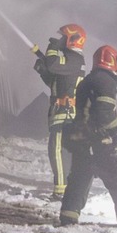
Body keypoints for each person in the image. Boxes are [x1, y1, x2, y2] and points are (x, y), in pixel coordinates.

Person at [60, 45, 117, 227]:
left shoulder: (87, 80)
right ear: (114, 62)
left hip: (81, 138)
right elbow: (104, 112)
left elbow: (89, 112)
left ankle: (68, 216)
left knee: (80, 177)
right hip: (99, 140)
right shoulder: (106, 81)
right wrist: (114, 133)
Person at [33, 23, 86, 197]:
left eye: (63, 37)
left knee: (56, 151)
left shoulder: (74, 59)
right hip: (61, 112)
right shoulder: (71, 61)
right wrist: (43, 70)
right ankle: (64, 188)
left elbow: (54, 63)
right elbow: (56, 83)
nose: (61, 40)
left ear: (73, 39)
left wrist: (52, 48)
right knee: (59, 151)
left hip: (65, 114)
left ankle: (61, 191)